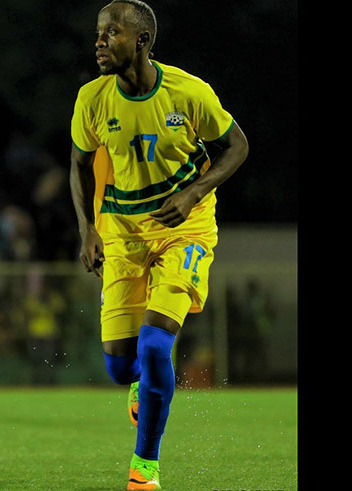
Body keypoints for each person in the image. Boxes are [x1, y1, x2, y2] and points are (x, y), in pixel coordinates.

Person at [69, 1, 249, 489]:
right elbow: (80, 165)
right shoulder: (92, 99)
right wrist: (87, 229)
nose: (100, 42)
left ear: (142, 41)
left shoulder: (189, 93)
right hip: (122, 233)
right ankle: (140, 384)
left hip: (184, 229)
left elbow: (237, 146)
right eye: (99, 33)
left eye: (112, 33)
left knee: (154, 347)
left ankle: (144, 468)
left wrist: (193, 193)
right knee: (119, 365)